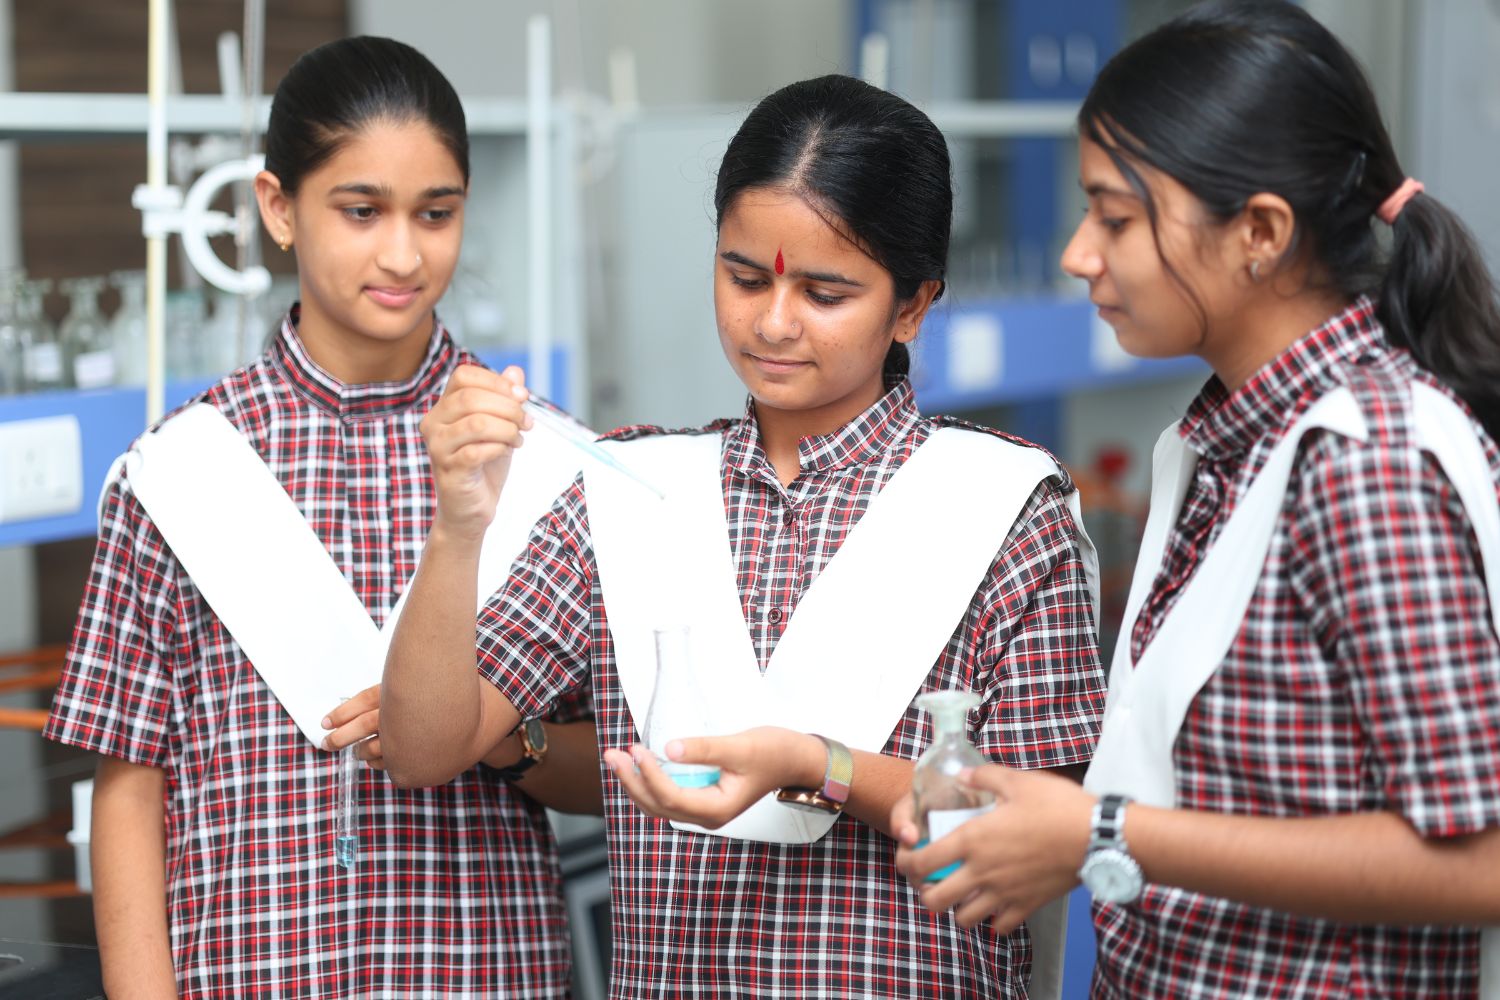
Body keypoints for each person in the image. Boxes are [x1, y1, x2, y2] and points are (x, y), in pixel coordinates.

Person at [365, 73, 1105, 998]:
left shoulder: (998, 505)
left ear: (913, 306)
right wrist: (459, 523)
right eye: (745, 277)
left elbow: (1043, 837)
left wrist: (819, 767)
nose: (773, 322)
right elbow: (426, 749)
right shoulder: (632, 494)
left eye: (825, 293)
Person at [893, 2, 1500, 996]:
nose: (1078, 253)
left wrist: (1101, 831)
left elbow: (1479, 861)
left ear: (1259, 232)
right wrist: (1058, 827)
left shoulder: (1366, 460)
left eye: (1116, 218)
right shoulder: (1227, 445)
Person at [45, 36, 599, 999]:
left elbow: (613, 776)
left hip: (480, 968)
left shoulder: (542, 458)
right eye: (362, 210)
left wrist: (490, 732)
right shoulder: (176, 474)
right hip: (248, 969)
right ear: (277, 208)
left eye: (436, 213)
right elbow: (129, 784)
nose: (404, 253)